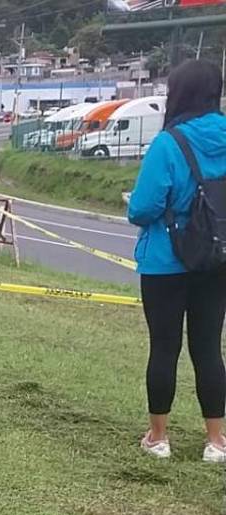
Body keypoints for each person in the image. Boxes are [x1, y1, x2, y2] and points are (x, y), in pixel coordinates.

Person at [127, 59, 226, 463]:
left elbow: (143, 207)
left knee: (164, 347)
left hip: (166, 262)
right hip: (217, 259)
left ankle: (159, 436)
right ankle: (216, 441)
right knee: (208, 347)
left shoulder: (169, 143)